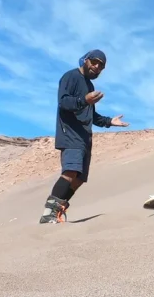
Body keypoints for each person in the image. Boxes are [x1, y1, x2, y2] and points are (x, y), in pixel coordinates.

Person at [39, 49, 128, 223]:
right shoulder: (70, 77)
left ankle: (58, 208)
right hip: (70, 133)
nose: (97, 67)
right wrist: (83, 100)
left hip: (85, 137)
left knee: (79, 178)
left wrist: (110, 121)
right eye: (94, 62)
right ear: (85, 60)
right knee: (70, 171)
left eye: (101, 66)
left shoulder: (90, 86)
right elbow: (64, 102)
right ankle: (48, 213)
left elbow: (91, 115)